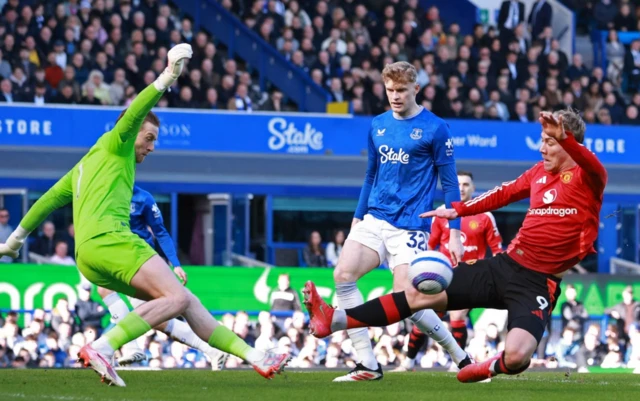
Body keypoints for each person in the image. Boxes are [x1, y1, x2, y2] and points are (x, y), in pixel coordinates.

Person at [0, 43, 289, 387]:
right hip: (113, 241)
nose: (151, 147)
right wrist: (170, 74)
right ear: (130, 130)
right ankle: (106, 346)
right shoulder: (115, 142)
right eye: (149, 138)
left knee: (184, 303)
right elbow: (137, 110)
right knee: (178, 297)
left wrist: (14, 241)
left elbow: (45, 201)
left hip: (88, 259)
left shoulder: (83, 167)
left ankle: (257, 357)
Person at [303, 109, 607, 383]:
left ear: (571, 144)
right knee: (414, 294)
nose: (542, 148)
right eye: (542, 140)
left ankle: (490, 367)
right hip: (505, 265)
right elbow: (500, 194)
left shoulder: (590, 177)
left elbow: (588, 161)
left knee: (516, 357)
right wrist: (458, 210)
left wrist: (565, 140)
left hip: (538, 284)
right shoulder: (539, 173)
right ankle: (332, 320)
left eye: (550, 142)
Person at [327, 61, 469, 382]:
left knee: (410, 303)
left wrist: (455, 233)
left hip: (411, 226)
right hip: (374, 218)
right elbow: (370, 174)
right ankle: (367, 362)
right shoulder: (377, 125)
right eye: (390, 90)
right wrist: (357, 217)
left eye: (401, 90)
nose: (395, 96)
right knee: (343, 274)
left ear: (416, 89)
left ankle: (459, 355)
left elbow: (450, 184)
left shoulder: (435, 128)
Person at [96, 185, 227, 370]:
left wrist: (176, 263)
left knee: (105, 288)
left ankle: (131, 347)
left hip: (141, 260)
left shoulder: (143, 198)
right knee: (156, 319)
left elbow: (160, 231)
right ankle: (211, 349)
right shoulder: (107, 194)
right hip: (121, 258)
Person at [393, 171, 503, 372]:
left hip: (471, 277)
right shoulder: (442, 213)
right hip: (442, 277)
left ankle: (459, 364)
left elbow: (497, 250)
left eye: (466, 184)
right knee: (423, 320)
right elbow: (429, 246)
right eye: (458, 184)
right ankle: (408, 361)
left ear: (473, 188)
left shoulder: (485, 216)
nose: (461, 188)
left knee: (457, 316)